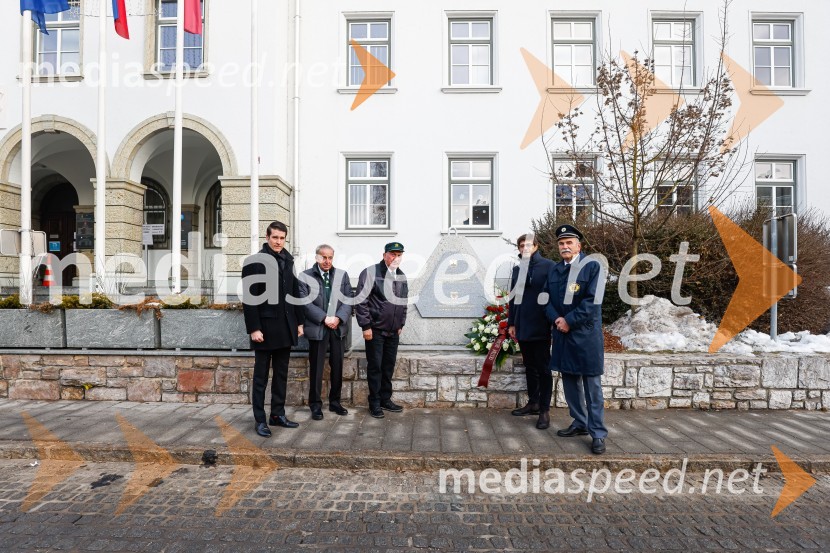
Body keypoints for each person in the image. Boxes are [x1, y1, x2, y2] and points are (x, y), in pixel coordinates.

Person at [545, 224, 608, 454]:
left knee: (592, 388)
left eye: (569, 242)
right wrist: (556, 319)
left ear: (578, 246)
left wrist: (569, 320)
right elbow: (545, 299)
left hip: (585, 336)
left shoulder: (592, 267)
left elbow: (593, 301)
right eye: (561, 243)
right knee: (570, 384)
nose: (565, 246)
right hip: (563, 335)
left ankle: (597, 433)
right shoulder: (555, 270)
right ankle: (580, 422)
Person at [242, 221, 305, 437]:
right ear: (267, 237)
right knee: (261, 378)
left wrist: (299, 322)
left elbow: (295, 293)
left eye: (282, 238)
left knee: (281, 375)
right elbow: (250, 298)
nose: (278, 241)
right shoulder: (255, 262)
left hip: (285, 327)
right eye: (275, 237)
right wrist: (254, 328)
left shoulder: (288, 260)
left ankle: (277, 414)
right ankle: (260, 420)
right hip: (265, 329)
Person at [298, 244, 353, 420]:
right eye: (323, 257)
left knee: (337, 366)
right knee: (316, 368)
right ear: (317, 257)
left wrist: (338, 318)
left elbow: (348, 300)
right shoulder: (305, 276)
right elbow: (304, 302)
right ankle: (315, 405)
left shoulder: (342, 275)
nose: (327, 261)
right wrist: (324, 318)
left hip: (337, 328)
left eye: (330, 257)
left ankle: (335, 402)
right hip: (318, 328)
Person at [355, 242, 408, 419]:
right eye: (392, 254)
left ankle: (385, 399)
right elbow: (361, 301)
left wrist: (401, 323)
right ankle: (375, 402)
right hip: (375, 330)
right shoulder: (371, 273)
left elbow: (403, 302)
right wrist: (366, 326)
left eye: (399, 255)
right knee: (375, 367)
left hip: (393, 331)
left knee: (388, 366)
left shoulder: (401, 276)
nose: (395, 258)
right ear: (384, 255)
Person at [507, 233, 555, 430]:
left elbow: (555, 295)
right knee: (529, 366)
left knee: (543, 368)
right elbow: (513, 298)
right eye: (521, 246)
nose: (524, 248)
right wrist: (512, 323)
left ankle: (544, 410)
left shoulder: (549, 266)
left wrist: (552, 320)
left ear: (536, 246)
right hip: (523, 324)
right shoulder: (517, 269)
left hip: (541, 324)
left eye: (528, 245)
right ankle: (533, 403)